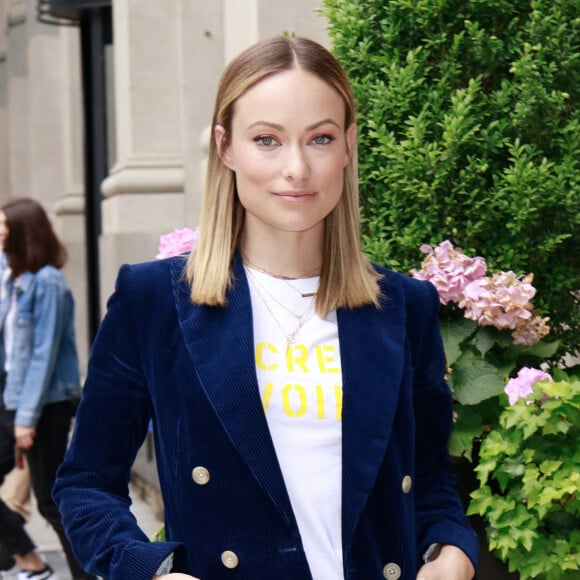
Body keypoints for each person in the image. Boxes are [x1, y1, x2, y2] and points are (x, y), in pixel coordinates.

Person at [53, 36, 479, 579]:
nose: (297, 168)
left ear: (348, 145)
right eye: (267, 140)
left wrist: (453, 553)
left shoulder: (404, 307)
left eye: (319, 138)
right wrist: (150, 572)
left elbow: (430, 479)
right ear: (225, 147)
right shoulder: (155, 300)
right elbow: (85, 482)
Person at [0, 198, 95, 580]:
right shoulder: (14, 280)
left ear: (24, 231)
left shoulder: (49, 283)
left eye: (4, 225)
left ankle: (84, 574)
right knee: (49, 502)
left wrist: (26, 418)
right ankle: (29, 560)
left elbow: (43, 355)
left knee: (52, 502)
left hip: (45, 406)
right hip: (13, 401)